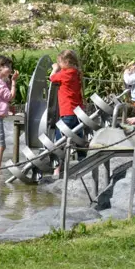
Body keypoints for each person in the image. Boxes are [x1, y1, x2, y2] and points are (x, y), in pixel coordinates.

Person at [49, 50, 84, 178]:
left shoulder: (63, 74)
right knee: (79, 138)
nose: (58, 64)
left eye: (59, 62)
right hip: (79, 112)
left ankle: (57, 170)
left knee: (59, 140)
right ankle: (83, 163)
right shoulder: (76, 73)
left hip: (67, 112)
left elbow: (52, 78)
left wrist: (55, 69)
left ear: (66, 62)